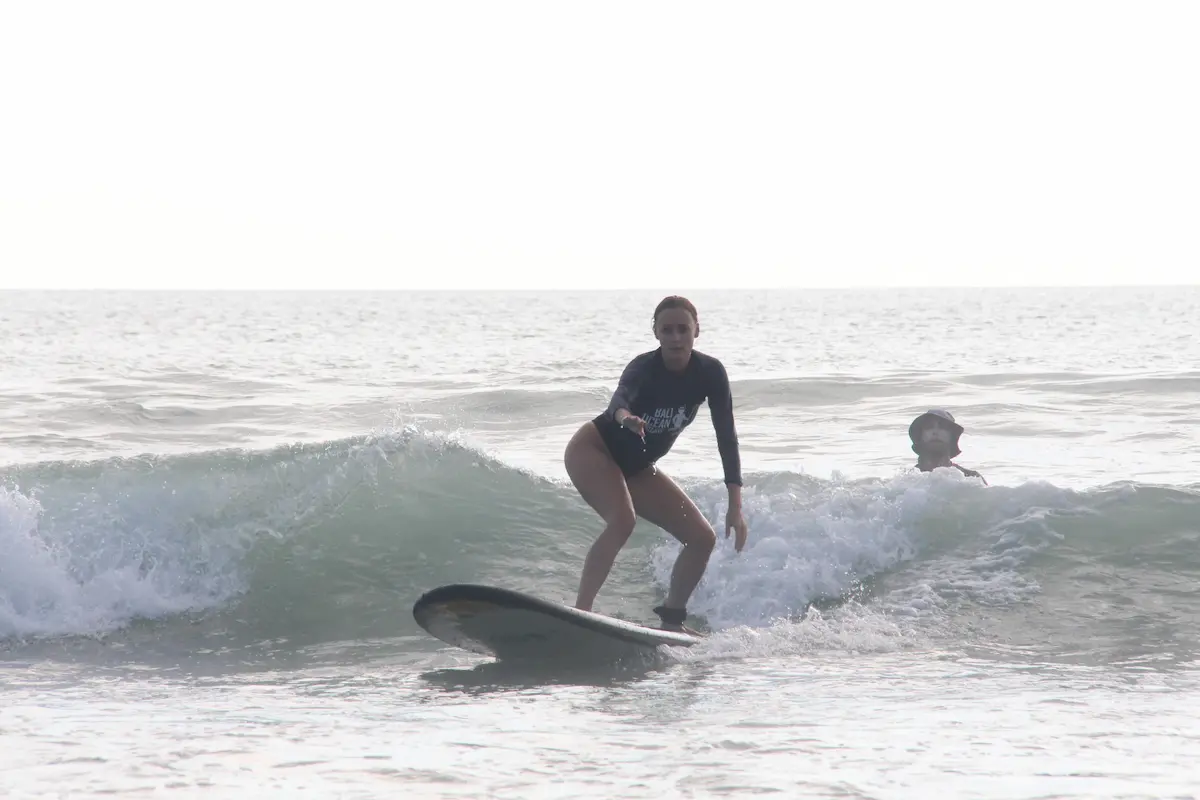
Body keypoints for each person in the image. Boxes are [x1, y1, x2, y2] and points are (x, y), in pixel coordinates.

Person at [563, 295, 748, 633]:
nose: (676, 337)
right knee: (623, 521)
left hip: (637, 467)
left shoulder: (710, 374)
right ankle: (582, 614)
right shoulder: (643, 368)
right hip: (594, 450)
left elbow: (727, 437)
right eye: (667, 330)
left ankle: (671, 621)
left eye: (683, 329)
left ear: (696, 332)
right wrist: (626, 418)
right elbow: (617, 402)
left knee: (701, 537)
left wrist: (735, 505)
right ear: (656, 333)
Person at [908, 408, 987, 484]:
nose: (935, 432)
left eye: (943, 427)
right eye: (929, 427)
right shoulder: (908, 480)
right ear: (920, 436)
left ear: (952, 436)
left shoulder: (971, 478)